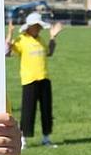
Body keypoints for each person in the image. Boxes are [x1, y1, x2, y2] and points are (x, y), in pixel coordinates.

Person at [6, 12, 63, 147]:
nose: (38, 28)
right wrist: (10, 33)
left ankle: (46, 138)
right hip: (29, 80)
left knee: (46, 110)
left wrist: (53, 37)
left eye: (39, 26)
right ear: (29, 27)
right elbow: (7, 52)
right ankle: (23, 140)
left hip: (44, 78)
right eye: (36, 26)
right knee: (28, 111)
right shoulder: (21, 40)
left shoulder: (41, 40)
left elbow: (49, 52)